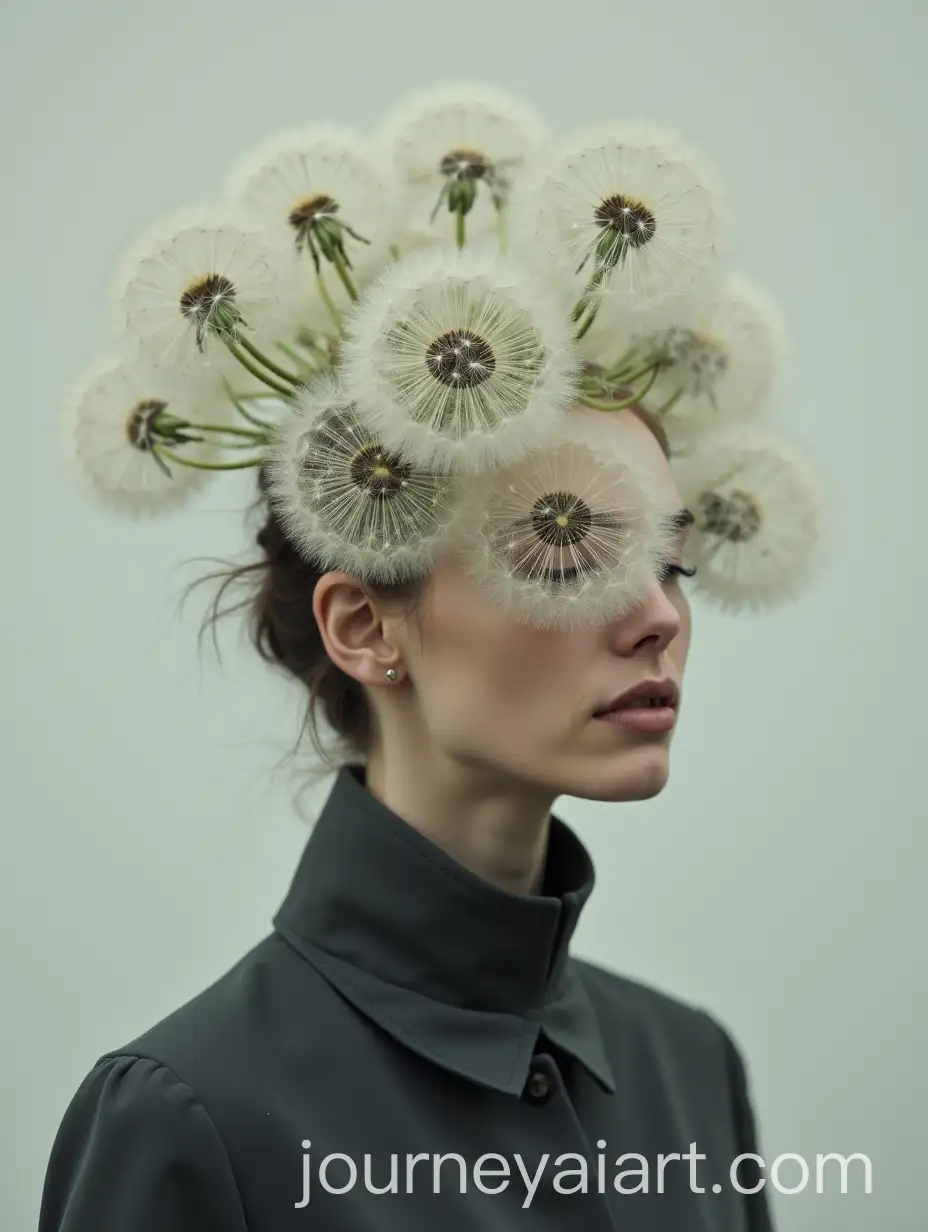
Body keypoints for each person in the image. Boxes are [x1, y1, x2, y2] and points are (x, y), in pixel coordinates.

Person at [41, 80, 826, 1229]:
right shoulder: (195, 1116)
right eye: (567, 549)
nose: (658, 615)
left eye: (673, 560)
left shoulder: (688, 1070)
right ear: (363, 626)